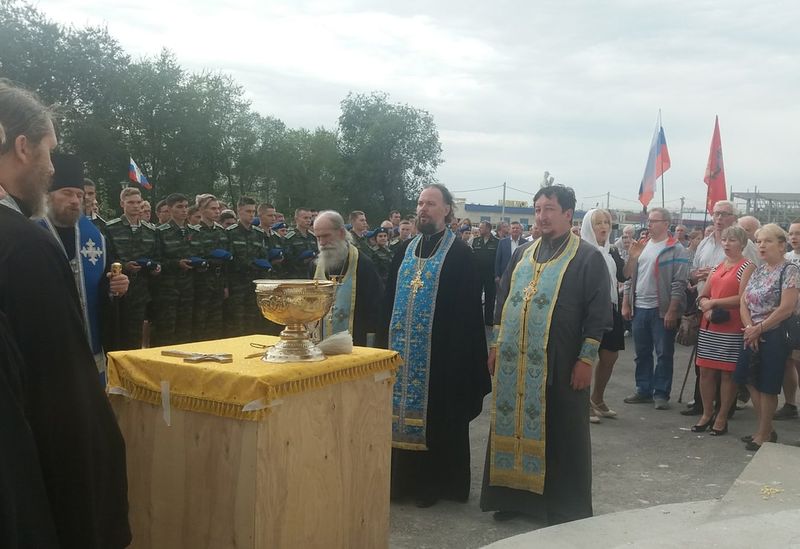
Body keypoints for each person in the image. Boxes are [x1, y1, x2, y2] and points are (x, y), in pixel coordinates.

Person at [0, 79, 130, 548]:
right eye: (50, 151)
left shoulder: (79, 237)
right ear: (23, 147)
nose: (51, 168)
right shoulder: (23, 245)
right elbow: (60, 398)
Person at [481, 185, 612, 525]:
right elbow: (502, 300)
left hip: (563, 361)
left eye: (549, 209)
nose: (542, 216)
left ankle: (562, 506)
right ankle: (513, 497)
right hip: (515, 362)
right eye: (538, 209)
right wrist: (496, 346)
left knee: (561, 431)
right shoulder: (522, 254)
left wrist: (586, 359)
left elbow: (598, 314)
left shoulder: (587, 258)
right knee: (513, 426)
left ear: (568, 214)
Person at [378, 183, 491, 508]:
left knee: (438, 417)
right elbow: (388, 303)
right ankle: (400, 482)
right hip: (400, 357)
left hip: (441, 360)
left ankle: (433, 484)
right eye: (420, 203)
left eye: (430, 203)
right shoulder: (404, 250)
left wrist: (458, 362)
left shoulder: (460, 255)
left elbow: (468, 316)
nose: (423, 209)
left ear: (446, 209)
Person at [39, 153, 130, 378]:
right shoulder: (30, 232)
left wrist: (116, 287)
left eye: (79, 195)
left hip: (91, 347)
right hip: (45, 349)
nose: (75, 200)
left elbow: (105, 288)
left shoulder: (96, 239)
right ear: (48, 195)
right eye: (67, 193)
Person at [684, 200, 759, 417]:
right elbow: (693, 273)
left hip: (732, 316)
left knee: (727, 370)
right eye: (716, 214)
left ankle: (724, 411)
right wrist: (698, 278)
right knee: (704, 366)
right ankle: (703, 407)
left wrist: (713, 302)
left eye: (724, 214)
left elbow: (752, 283)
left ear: (733, 218)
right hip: (706, 311)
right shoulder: (705, 243)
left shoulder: (748, 248)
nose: (719, 218)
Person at [736, 224, 799, 450]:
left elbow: (786, 308)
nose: (761, 245)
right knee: (749, 379)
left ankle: (763, 434)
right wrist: (749, 328)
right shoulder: (760, 270)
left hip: (774, 334)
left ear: (782, 246)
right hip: (752, 333)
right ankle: (766, 428)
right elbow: (744, 301)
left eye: (767, 241)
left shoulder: (789, 270)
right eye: (759, 241)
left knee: (767, 385)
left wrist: (760, 328)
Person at [622, 207, 690, 409]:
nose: (649, 224)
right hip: (639, 307)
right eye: (648, 220)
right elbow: (628, 276)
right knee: (641, 352)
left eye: (654, 221)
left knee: (663, 353)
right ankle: (643, 389)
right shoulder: (641, 246)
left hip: (661, 309)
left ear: (666, 224)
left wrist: (672, 310)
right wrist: (626, 302)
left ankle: (661, 393)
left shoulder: (676, 249)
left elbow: (679, 283)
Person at [580, 209, 626, 423]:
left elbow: (623, 276)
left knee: (610, 355)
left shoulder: (611, 251)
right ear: (589, 226)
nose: (604, 226)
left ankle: (597, 398)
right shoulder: (582, 250)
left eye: (607, 222)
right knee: (586, 356)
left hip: (611, 307)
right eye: (598, 223)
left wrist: (634, 257)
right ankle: (583, 404)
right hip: (589, 311)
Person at [312, 210, 383, 345]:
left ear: (341, 233)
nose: (322, 242)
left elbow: (375, 310)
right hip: (319, 343)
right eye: (318, 237)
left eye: (326, 236)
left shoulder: (363, 265)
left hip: (355, 342)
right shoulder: (315, 266)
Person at [105, 187, 160, 350]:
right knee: (117, 332)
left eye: (138, 203)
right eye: (131, 202)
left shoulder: (150, 230)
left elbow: (156, 255)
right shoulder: (111, 228)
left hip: (141, 289)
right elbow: (107, 257)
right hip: (119, 290)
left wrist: (156, 267)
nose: (136, 206)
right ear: (122, 204)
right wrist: (125, 266)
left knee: (135, 334)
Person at [154, 192, 200, 345]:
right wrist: (176, 264)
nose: (184, 210)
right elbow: (157, 260)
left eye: (186, 206)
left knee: (185, 330)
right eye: (179, 207)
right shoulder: (160, 232)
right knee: (166, 331)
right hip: (168, 289)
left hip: (189, 287)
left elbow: (199, 254)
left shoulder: (194, 231)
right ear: (169, 209)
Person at [225, 196, 272, 336]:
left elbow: (263, 257)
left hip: (254, 282)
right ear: (239, 211)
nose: (251, 215)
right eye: (248, 211)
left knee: (253, 320)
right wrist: (225, 285)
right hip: (237, 283)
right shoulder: (230, 232)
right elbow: (227, 262)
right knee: (237, 321)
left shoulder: (258, 234)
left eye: (253, 212)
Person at [193, 193, 229, 341]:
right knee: (200, 321)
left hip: (218, 280)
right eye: (213, 208)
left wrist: (225, 285)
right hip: (201, 280)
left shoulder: (221, 231)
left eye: (218, 208)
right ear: (201, 210)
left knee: (216, 322)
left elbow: (226, 261)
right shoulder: (194, 231)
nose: (217, 211)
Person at [777, 219, 800, 419]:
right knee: (787, 361)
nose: (794, 237)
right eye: (791, 233)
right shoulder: (786, 258)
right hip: (787, 317)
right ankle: (790, 403)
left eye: (798, 233)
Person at [472, 221, 499, 326]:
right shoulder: (475, 241)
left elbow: (498, 259)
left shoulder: (497, 242)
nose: (479, 229)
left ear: (488, 229)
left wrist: (497, 274)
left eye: (481, 228)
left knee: (490, 298)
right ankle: (476, 319)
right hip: (477, 274)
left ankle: (488, 320)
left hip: (490, 274)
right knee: (475, 297)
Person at [285, 207, 318, 278]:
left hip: (312, 274)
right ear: (296, 219)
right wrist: (301, 260)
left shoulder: (313, 237)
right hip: (295, 275)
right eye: (305, 218)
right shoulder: (290, 237)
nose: (308, 220)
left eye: (310, 218)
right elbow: (287, 259)